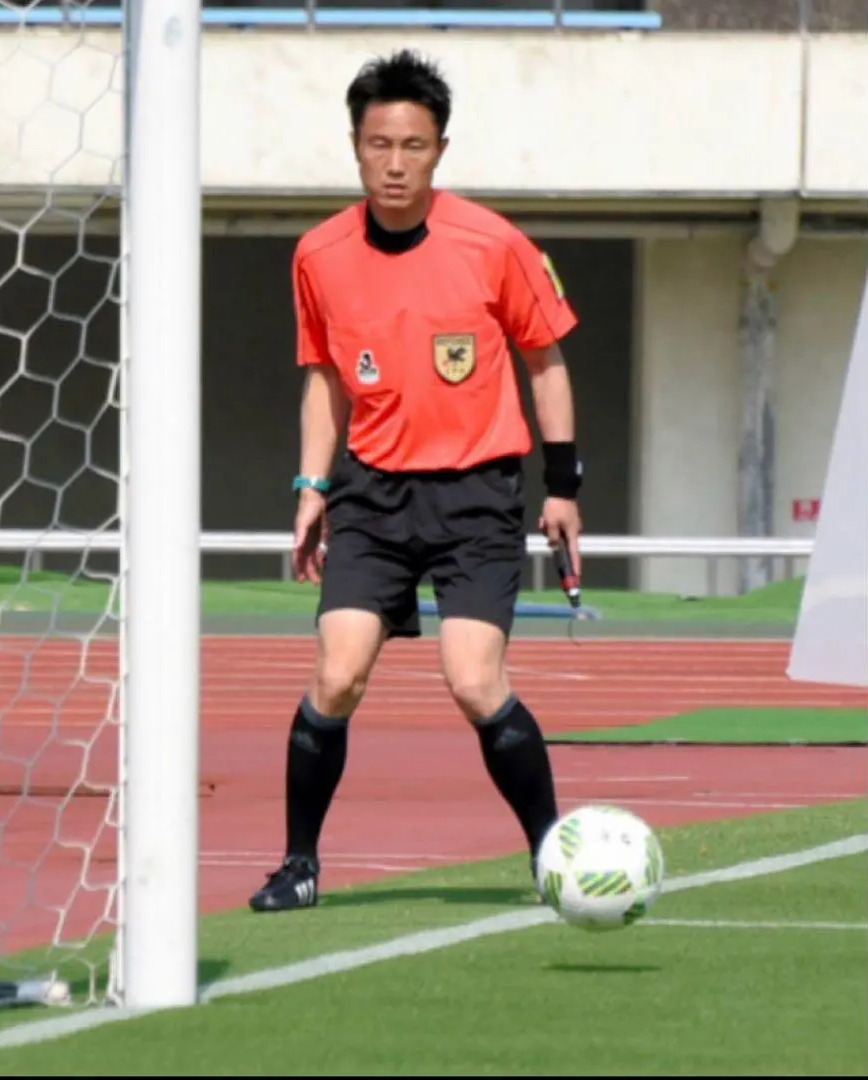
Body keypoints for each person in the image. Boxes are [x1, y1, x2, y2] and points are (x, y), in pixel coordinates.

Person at [249, 48, 583, 913]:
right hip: (370, 495)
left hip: (476, 493)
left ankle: (554, 855)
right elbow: (322, 377)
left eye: (413, 145)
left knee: (473, 680)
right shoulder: (318, 254)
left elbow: (543, 361)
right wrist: (310, 486)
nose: (394, 163)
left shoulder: (492, 243)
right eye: (377, 144)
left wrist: (563, 484)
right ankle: (298, 865)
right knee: (336, 674)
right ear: (355, 148)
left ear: (439, 149)